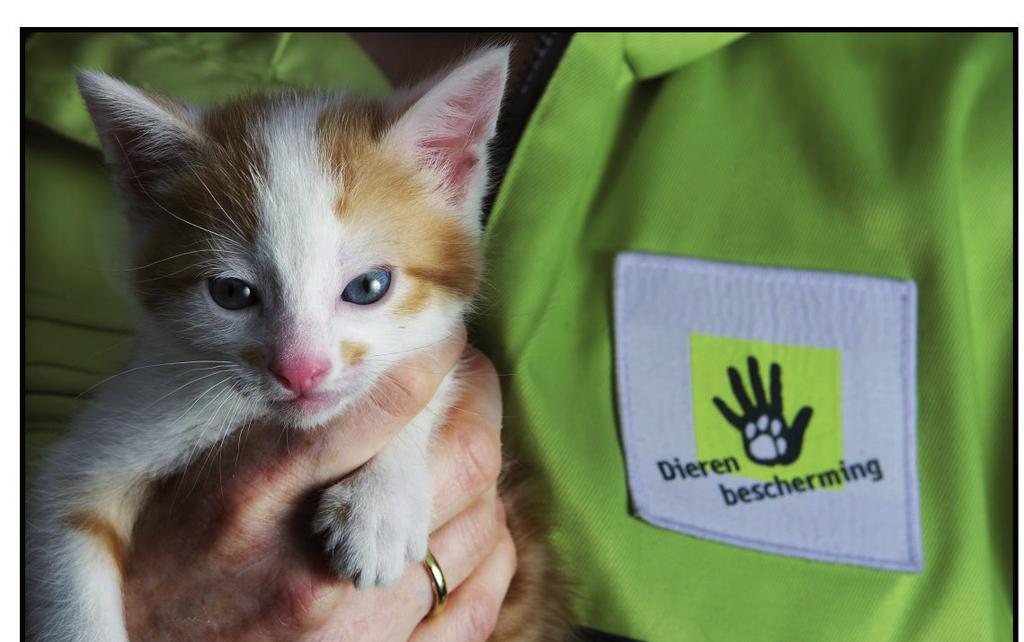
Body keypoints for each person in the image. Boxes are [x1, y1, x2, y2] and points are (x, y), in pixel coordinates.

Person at [25, 31, 1012, 641]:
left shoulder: (970, 87)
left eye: (366, 287)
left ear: (456, 162)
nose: (303, 365)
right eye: (235, 294)